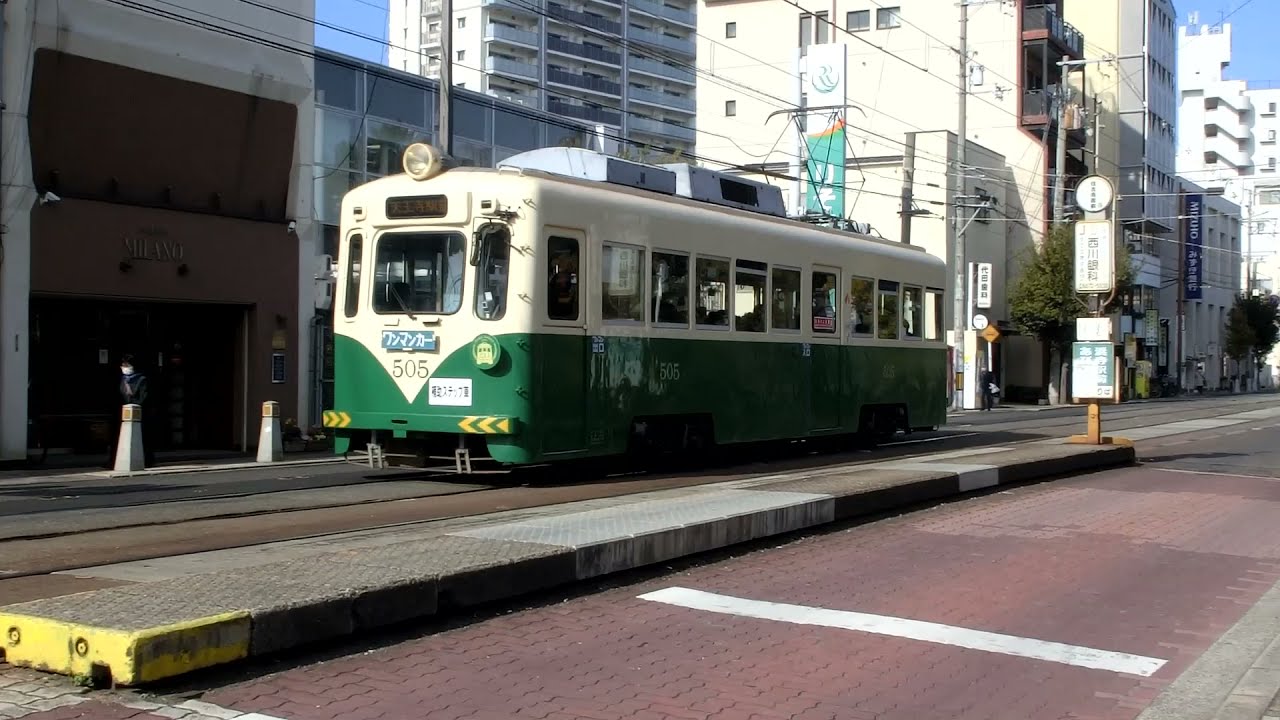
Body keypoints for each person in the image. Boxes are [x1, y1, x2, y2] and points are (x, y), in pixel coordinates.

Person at [117, 354, 156, 467]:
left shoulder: (141, 379)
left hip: (140, 413)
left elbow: (144, 396)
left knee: (143, 438)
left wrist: (135, 404)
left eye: (127, 365)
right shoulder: (123, 379)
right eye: (123, 365)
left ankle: (147, 460)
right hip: (125, 413)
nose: (124, 367)